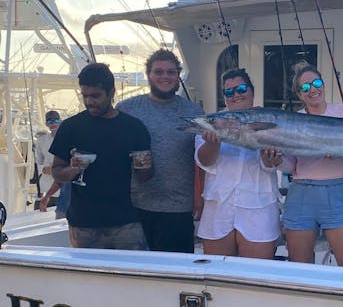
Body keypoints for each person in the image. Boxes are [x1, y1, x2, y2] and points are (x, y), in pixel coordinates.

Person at [50, 63, 152, 250]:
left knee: (130, 277)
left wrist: (146, 166)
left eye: (95, 96)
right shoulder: (71, 127)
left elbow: (145, 178)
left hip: (126, 223)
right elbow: (57, 172)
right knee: (86, 280)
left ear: (111, 92)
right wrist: (73, 169)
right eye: (85, 95)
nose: (89, 101)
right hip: (83, 225)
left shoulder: (134, 128)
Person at [116, 49, 204, 253]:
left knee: (177, 272)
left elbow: (201, 161)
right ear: (148, 75)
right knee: (138, 272)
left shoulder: (194, 112)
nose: (165, 77)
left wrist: (200, 197)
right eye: (159, 72)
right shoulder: (126, 108)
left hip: (179, 209)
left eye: (171, 72)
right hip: (135, 207)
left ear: (178, 76)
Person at [276, 64, 343, 267]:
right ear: (299, 94)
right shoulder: (294, 120)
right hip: (301, 194)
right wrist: (276, 161)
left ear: (323, 84)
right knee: (301, 270)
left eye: (316, 83)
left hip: (336, 193)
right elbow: (291, 165)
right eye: (305, 87)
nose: (313, 90)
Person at [195, 68, 281, 259]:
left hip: (258, 210)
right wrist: (212, 143)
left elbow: (270, 165)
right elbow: (204, 161)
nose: (235, 95)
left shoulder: (270, 119)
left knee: (255, 278)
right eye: (228, 92)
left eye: (241, 89)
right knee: (217, 277)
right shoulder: (211, 122)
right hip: (218, 212)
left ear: (252, 91)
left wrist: (271, 159)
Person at [35, 110, 62, 211]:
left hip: (60, 191)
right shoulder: (41, 141)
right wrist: (43, 169)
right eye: (50, 122)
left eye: (56, 120)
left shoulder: (67, 138)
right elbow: (38, 162)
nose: (53, 124)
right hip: (43, 188)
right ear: (46, 124)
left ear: (60, 121)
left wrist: (55, 170)